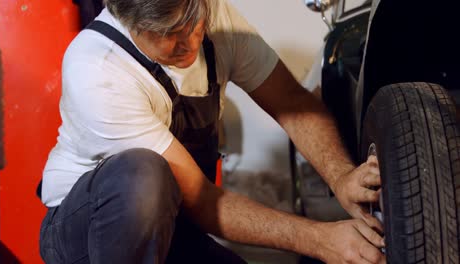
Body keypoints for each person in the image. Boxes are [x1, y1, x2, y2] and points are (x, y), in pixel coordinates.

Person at [39, 0, 386, 263]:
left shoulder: (212, 16)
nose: (190, 42)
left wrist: (342, 177)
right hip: (89, 229)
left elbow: (291, 102)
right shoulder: (98, 69)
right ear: (128, 21)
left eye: (193, 21)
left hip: (174, 225)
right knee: (143, 176)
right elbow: (203, 200)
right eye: (167, 35)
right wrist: (321, 240)